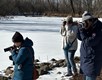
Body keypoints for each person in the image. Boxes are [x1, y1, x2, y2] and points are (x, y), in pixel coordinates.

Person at [77, 11, 102, 80]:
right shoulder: (89, 27)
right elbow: (80, 38)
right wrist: (79, 29)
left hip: (92, 62)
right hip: (85, 61)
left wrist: (82, 31)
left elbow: (89, 42)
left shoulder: (98, 29)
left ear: (90, 21)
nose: (84, 25)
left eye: (85, 23)